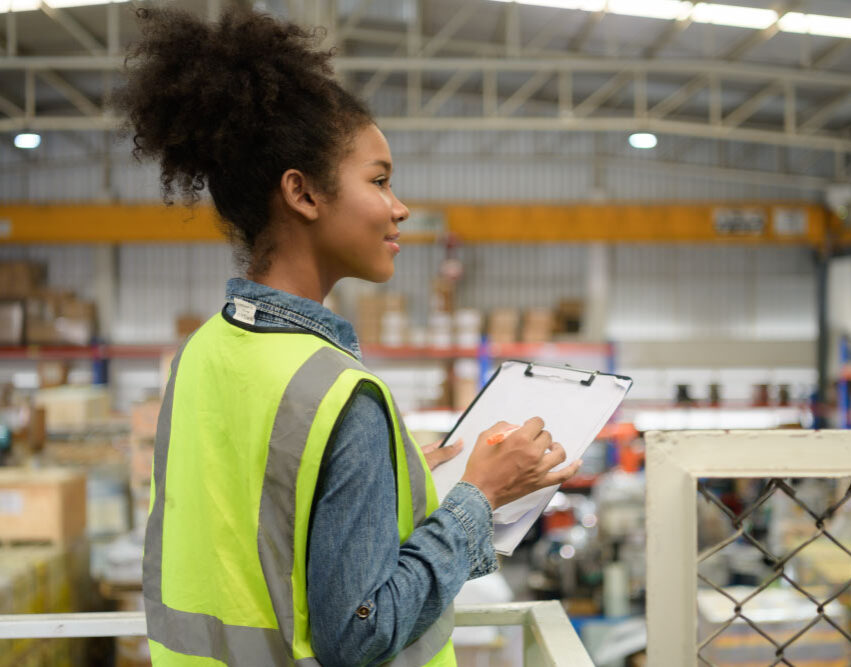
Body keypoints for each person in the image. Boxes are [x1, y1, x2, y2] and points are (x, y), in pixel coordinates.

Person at [117, 8, 581, 667]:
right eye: (380, 179)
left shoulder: (202, 352)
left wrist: (390, 478)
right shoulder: (337, 396)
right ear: (302, 194)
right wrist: (479, 497)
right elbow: (358, 633)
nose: (400, 207)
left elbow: (252, 517)